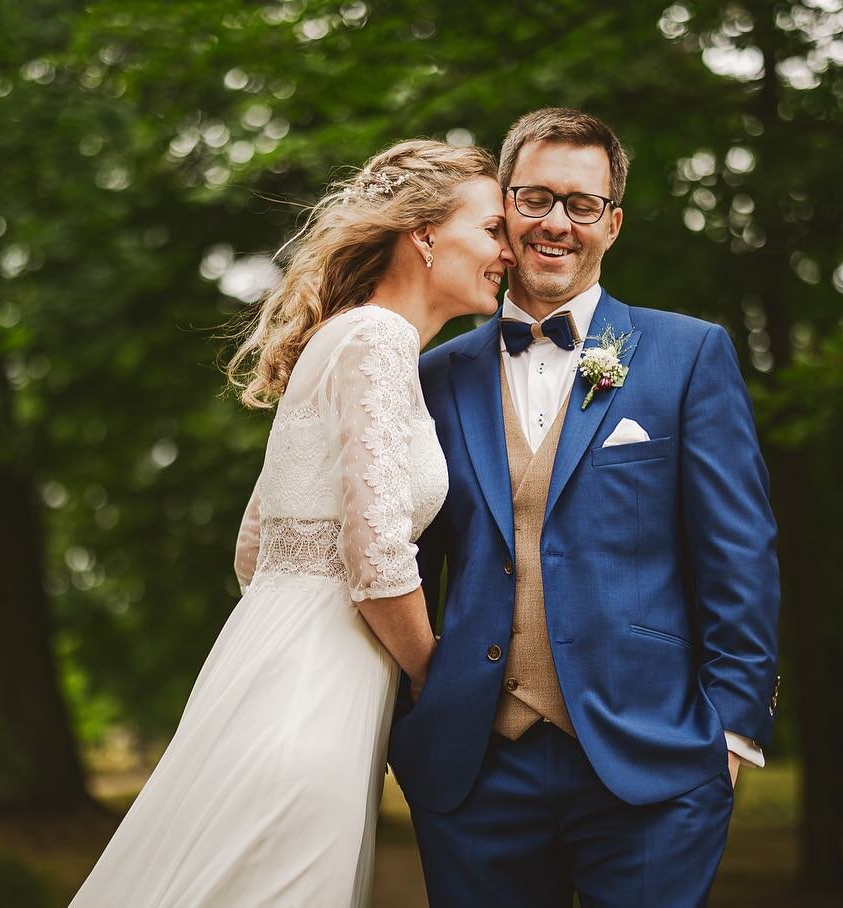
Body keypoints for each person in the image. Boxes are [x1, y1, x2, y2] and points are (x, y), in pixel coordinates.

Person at [69, 139, 515, 907]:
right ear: (426, 233)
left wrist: (292, 624)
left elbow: (254, 543)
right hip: (316, 690)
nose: (508, 250)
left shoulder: (348, 339)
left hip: (277, 667)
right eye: (492, 229)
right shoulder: (375, 339)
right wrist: (428, 675)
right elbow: (376, 554)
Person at [389, 109, 781, 906]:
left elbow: (738, 554)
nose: (556, 223)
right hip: (472, 773)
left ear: (613, 223)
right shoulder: (432, 376)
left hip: (652, 766)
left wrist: (733, 731)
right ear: (503, 206)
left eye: (582, 204)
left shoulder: (688, 354)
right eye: (534, 199)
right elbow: (395, 557)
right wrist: (412, 724)